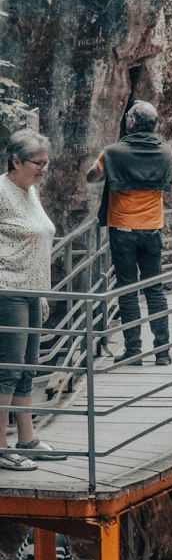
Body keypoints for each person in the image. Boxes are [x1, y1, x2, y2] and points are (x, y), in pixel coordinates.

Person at [87, 101, 172, 366]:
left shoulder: (113, 152)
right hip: (152, 228)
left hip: (122, 228)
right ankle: (163, 352)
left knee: (127, 288)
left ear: (132, 123)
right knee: (154, 289)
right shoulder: (166, 153)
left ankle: (133, 350)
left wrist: (106, 168)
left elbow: (92, 177)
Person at [0, 129, 61, 471]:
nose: (43, 170)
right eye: (38, 164)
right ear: (15, 161)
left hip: (32, 292)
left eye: (46, 163)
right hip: (7, 291)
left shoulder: (30, 191)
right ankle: (1, 446)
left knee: (26, 368)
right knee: (8, 370)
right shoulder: (1, 191)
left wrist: (42, 292)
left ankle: (27, 438)